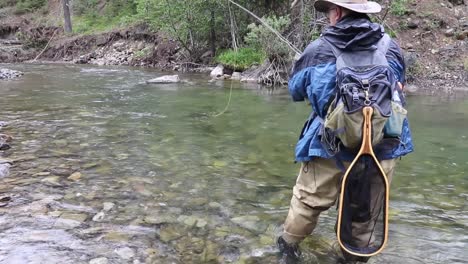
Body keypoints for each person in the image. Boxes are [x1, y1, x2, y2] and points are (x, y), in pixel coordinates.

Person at [277, 0, 414, 262]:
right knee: (364, 210)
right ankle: (354, 256)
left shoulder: (318, 49)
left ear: (337, 13)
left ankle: (287, 249)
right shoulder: (391, 46)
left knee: (308, 202)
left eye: (329, 11)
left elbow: (294, 89)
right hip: (382, 147)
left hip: (331, 146)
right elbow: (399, 87)